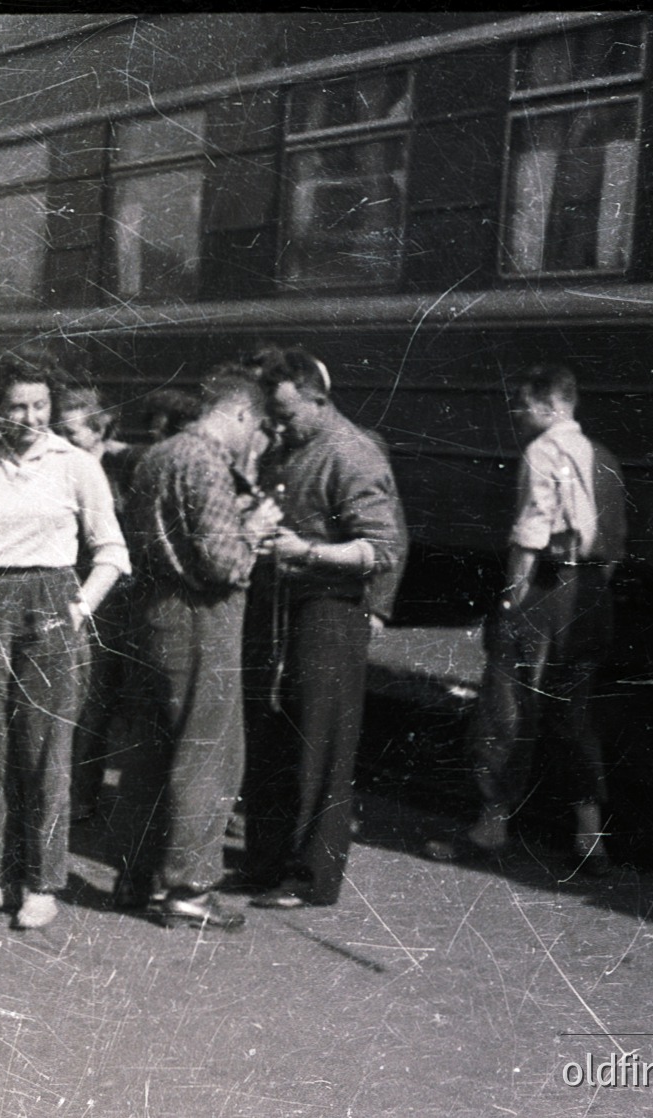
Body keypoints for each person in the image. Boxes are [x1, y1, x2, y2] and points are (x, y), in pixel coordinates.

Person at [0, 352, 130, 930]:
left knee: (45, 747)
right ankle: (0, 876)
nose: (32, 417)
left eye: (41, 405)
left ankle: (42, 882)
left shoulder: (75, 464)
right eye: (18, 406)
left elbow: (112, 552)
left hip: (52, 603)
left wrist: (79, 606)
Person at [426, 364, 625, 876]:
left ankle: (491, 826)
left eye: (523, 404)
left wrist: (511, 602)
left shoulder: (541, 454)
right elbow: (617, 544)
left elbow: (529, 540)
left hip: (541, 594)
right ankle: (590, 838)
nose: (516, 414)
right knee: (574, 714)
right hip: (589, 597)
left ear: (550, 405)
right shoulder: (604, 458)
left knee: (504, 711)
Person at [241, 344, 408, 909]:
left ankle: (310, 876)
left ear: (317, 398)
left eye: (286, 413)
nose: (276, 424)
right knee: (273, 736)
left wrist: (307, 552)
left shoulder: (352, 453)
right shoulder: (292, 447)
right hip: (284, 611)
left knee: (320, 744)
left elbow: (382, 548)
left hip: (330, 614)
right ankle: (264, 863)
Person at [114, 370, 282, 930]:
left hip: (151, 613)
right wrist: (254, 529)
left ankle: (134, 877)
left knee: (150, 751)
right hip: (201, 618)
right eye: (255, 427)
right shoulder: (206, 463)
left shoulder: (156, 456)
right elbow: (223, 563)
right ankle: (189, 888)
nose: (252, 439)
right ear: (239, 414)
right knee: (207, 752)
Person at [53, 384, 136, 821]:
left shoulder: (126, 464)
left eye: (73, 434)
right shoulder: (64, 469)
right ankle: (79, 796)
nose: (65, 444)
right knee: (87, 699)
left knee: (106, 699)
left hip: (119, 596)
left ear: (100, 429)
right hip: (80, 590)